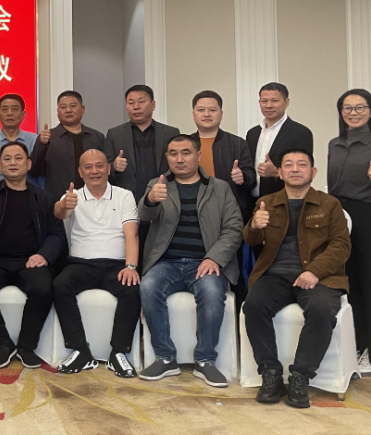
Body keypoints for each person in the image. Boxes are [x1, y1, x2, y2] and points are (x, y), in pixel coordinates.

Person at [244, 149, 351, 408]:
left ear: (313, 172)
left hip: (319, 277)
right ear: (280, 173)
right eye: (288, 165)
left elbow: (341, 245)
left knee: (321, 308)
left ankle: (301, 376)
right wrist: (254, 225)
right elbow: (251, 240)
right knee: (254, 305)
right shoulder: (267, 202)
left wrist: (315, 271)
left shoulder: (330, 204)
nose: (295, 169)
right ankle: (270, 373)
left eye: (302, 164)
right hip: (275, 275)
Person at [137, 135, 243, 387]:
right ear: (167, 158)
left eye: (186, 152)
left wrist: (214, 257)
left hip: (205, 262)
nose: (179, 159)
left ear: (198, 155)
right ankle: (165, 358)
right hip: (166, 263)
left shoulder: (220, 188)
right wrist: (151, 199)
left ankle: (205, 360)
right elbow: (144, 216)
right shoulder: (158, 184)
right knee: (148, 286)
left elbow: (234, 228)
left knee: (211, 291)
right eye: (173, 153)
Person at [0, 142, 66, 369]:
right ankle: (3, 342)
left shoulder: (44, 196)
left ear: (28, 164)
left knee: (43, 289)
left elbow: (57, 234)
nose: (13, 163)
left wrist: (44, 255)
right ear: (0, 165)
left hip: (30, 261)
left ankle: (26, 345)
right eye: (7, 159)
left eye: (18, 158)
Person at [327, 89, 371, 376]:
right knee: (349, 285)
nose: (353, 112)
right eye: (347, 108)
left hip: (367, 216)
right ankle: (355, 346)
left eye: (359, 107)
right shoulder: (334, 144)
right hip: (339, 217)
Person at [52, 149, 140, 377]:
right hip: (81, 264)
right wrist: (64, 205)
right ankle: (80, 350)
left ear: (108, 169)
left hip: (116, 264)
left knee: (132, 288)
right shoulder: (72, 196)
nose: (94, 171)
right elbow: (59, 213)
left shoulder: (124, 195)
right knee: (60, 284)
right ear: (80, 172)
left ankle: (118, 353)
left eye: (99, 165)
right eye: (88, 167)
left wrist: (131, 266)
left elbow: (131, 234)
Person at [189, 90, 256, 306]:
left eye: (212, 110)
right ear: (193, 114)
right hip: (193, 218)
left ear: (221, 113)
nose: (207, 114)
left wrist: (242, 177)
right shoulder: (185, 144)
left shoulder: (237, 143)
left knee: (236, 274)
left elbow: (251, 177)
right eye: (201, 110)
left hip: (229, 219)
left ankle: (238, 316)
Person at [106, 85, 180, 256]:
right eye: (131, 103)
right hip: (127, 205)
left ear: (153, 105)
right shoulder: (114, 134)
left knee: (158, 253)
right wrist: (114, 166)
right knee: (130, 253)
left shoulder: (170, 133)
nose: (136, 107)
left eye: (141, 101)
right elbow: (104, 169)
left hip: (161, 203)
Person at [31, 90, 113, 202]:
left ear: (83, 109)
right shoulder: (48, 137)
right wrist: (42, 145)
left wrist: (115, 165)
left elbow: (106, 169)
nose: (68, 110)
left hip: (94, 201)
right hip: (58, 202)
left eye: (73, 106)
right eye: (63, 107)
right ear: (57, 111)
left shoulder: (96, 137)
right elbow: (34, 171)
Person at [246, 82, 314, 199]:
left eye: (274, 101)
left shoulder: (300, 133)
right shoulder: (252, 133)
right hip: (251, 201)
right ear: (259, 103)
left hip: (283, 201)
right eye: (264, 101)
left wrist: (277, 172)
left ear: (286, 102)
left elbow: (304, 172)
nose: (269, 105)